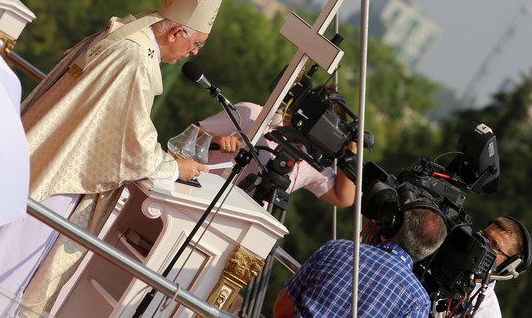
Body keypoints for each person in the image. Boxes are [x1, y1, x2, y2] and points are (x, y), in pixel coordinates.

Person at [0, 0, 232, 317]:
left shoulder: (122, 34)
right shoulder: (134, 59)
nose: (192, 53)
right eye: (195, 43)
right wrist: (173, 169)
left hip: (35, 158)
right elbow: (133, 144)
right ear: (175, 32)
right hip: (56, 180)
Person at [273, 198, 448, 317]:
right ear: (428, 252)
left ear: (392, 224)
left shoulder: (336, 248)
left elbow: (281, 310)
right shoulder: (417, 300)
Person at [195, 87, 357, 208]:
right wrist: (215, 139)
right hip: (197, 199)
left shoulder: (310, 159)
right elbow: (190, 135)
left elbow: (343, 198)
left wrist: (352, 148)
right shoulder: (252, 115)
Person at [435, 216, 531, 318]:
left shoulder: (488, 313)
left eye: (494, 245)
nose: (483, 244)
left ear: (507, 266)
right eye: (483, 235)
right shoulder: (439, 255)